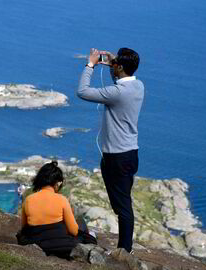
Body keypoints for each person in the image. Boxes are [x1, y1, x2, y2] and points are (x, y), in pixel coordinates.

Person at [77, 47, 144, 253]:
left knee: (123, 206)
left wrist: (90, 65)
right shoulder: (138, 86)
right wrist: (113, 65)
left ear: (121, 67)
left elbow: (82, 91)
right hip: (129, 153)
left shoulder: (117, 93)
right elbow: (119, 82)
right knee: (121, 203)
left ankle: (125, 251)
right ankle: (125, 247)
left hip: (117, 156)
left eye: (115, 64)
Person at [16, 161, 96, 259]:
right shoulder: (62, 199)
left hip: (37, 244)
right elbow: (74, 231)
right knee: (81, 223)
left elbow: (24, 228)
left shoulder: (28, 199)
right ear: (57, 183)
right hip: (63, 246)